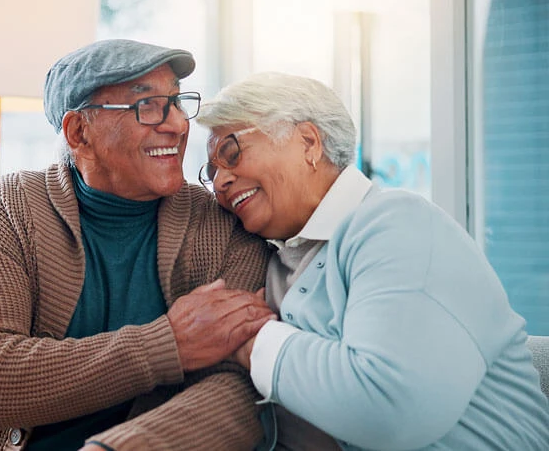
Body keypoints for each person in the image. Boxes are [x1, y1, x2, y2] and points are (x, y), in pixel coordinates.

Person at [0, 39, 276, 450]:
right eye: (148, 106)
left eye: (176, 101)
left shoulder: (220, 225)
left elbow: (244, 388)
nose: (176, 124)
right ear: (79, 133)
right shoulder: (12, 206)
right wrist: (167, 344)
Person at [196, 72, 549, 450]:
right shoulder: (276, 259)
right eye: (211, 172)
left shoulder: (397, 223)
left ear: (308, 142)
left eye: (231, 153)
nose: (219, 182)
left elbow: (388, 409)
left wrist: (250, 339)